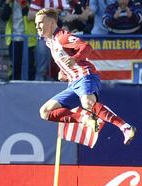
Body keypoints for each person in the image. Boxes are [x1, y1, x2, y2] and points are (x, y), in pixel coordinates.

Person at [35, 8, 136, 145]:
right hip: (73, 84)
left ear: (52, 23)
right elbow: (66, 57)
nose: (37, 26)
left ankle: (125, 127)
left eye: (40, 23)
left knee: (87, 103)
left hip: (85, 76)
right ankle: (84, 119)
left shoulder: (62, 37)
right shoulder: (50, 42)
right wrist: (64, 72)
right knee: (45, 111)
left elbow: (87, 47)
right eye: (36, 24)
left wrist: (75, 59)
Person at [0, 0, 37, 80]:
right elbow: (4, 17)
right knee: (15, 64)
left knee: (30, 64)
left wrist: (24, 4)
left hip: (28, 38)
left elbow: (29, 16)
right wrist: (7, 3)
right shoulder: (10, 3)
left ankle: (31, 85)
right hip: (14, 38)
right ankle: (15, 83)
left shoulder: (30, 3)